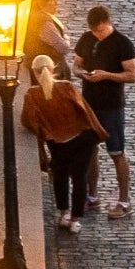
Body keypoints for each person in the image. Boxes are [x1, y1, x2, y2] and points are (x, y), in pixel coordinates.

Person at [21, 55, 105, 232]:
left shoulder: (32, 95)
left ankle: (64, 214)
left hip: (57, 142)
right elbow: (84, 110)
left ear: (34, 72)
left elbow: (27, 121)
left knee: (60, 176)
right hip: (82, 139)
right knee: (79, 178)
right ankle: (75, 220)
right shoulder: (66, 87)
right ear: (53, 69)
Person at [74, 4, 135, 215]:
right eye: (94, 31)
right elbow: (76, 66)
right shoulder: (86, 38)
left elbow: (131, 75)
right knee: (90, 150)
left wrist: (107, 75)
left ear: (108, 23)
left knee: (116, 152)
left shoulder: (122, 43)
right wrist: (83, 74)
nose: (97, 35)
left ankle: (124, 201)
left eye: (100, 31)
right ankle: (92, 196)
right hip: (89, 104)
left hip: (112, 106)